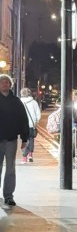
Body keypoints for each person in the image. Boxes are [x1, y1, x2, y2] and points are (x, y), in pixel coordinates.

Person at [0, 73, 30, 207]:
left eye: (7, 82)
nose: (4, 84)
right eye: (2, 82)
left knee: (10, 168)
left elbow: (23, 120)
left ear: (10, 85)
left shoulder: (16, 101)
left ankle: (8, 195)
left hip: (11, 139)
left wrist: (25, 138)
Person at [20, 88, 41, 164]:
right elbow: (38, 114)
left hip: (22, 125)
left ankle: (24, 157)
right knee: (31, 140)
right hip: (32, 125)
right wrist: (35, 122)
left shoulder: (20, 102)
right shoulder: (34, 102)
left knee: (24, 140)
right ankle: (30, 155)